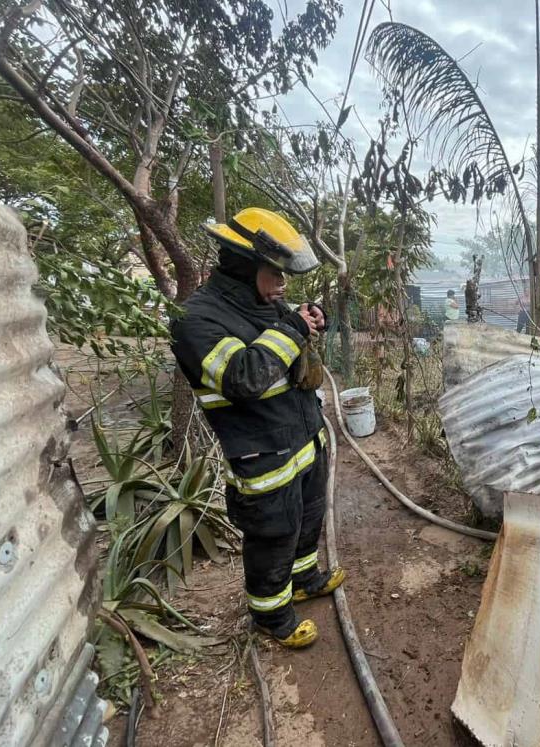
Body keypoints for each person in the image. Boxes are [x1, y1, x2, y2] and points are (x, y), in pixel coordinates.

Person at [170, 207, 345, 648]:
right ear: (246, 265)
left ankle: (304, 579)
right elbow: (244, 377)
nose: (283, 283)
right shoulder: (196, 319)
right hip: (263, 455)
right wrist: (290, 328)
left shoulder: (263, 302)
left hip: (302, 441)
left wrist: (310, 319)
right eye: (276, 272)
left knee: (307, 519)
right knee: (273, 533)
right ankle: (272, 616)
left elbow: (284, 345)